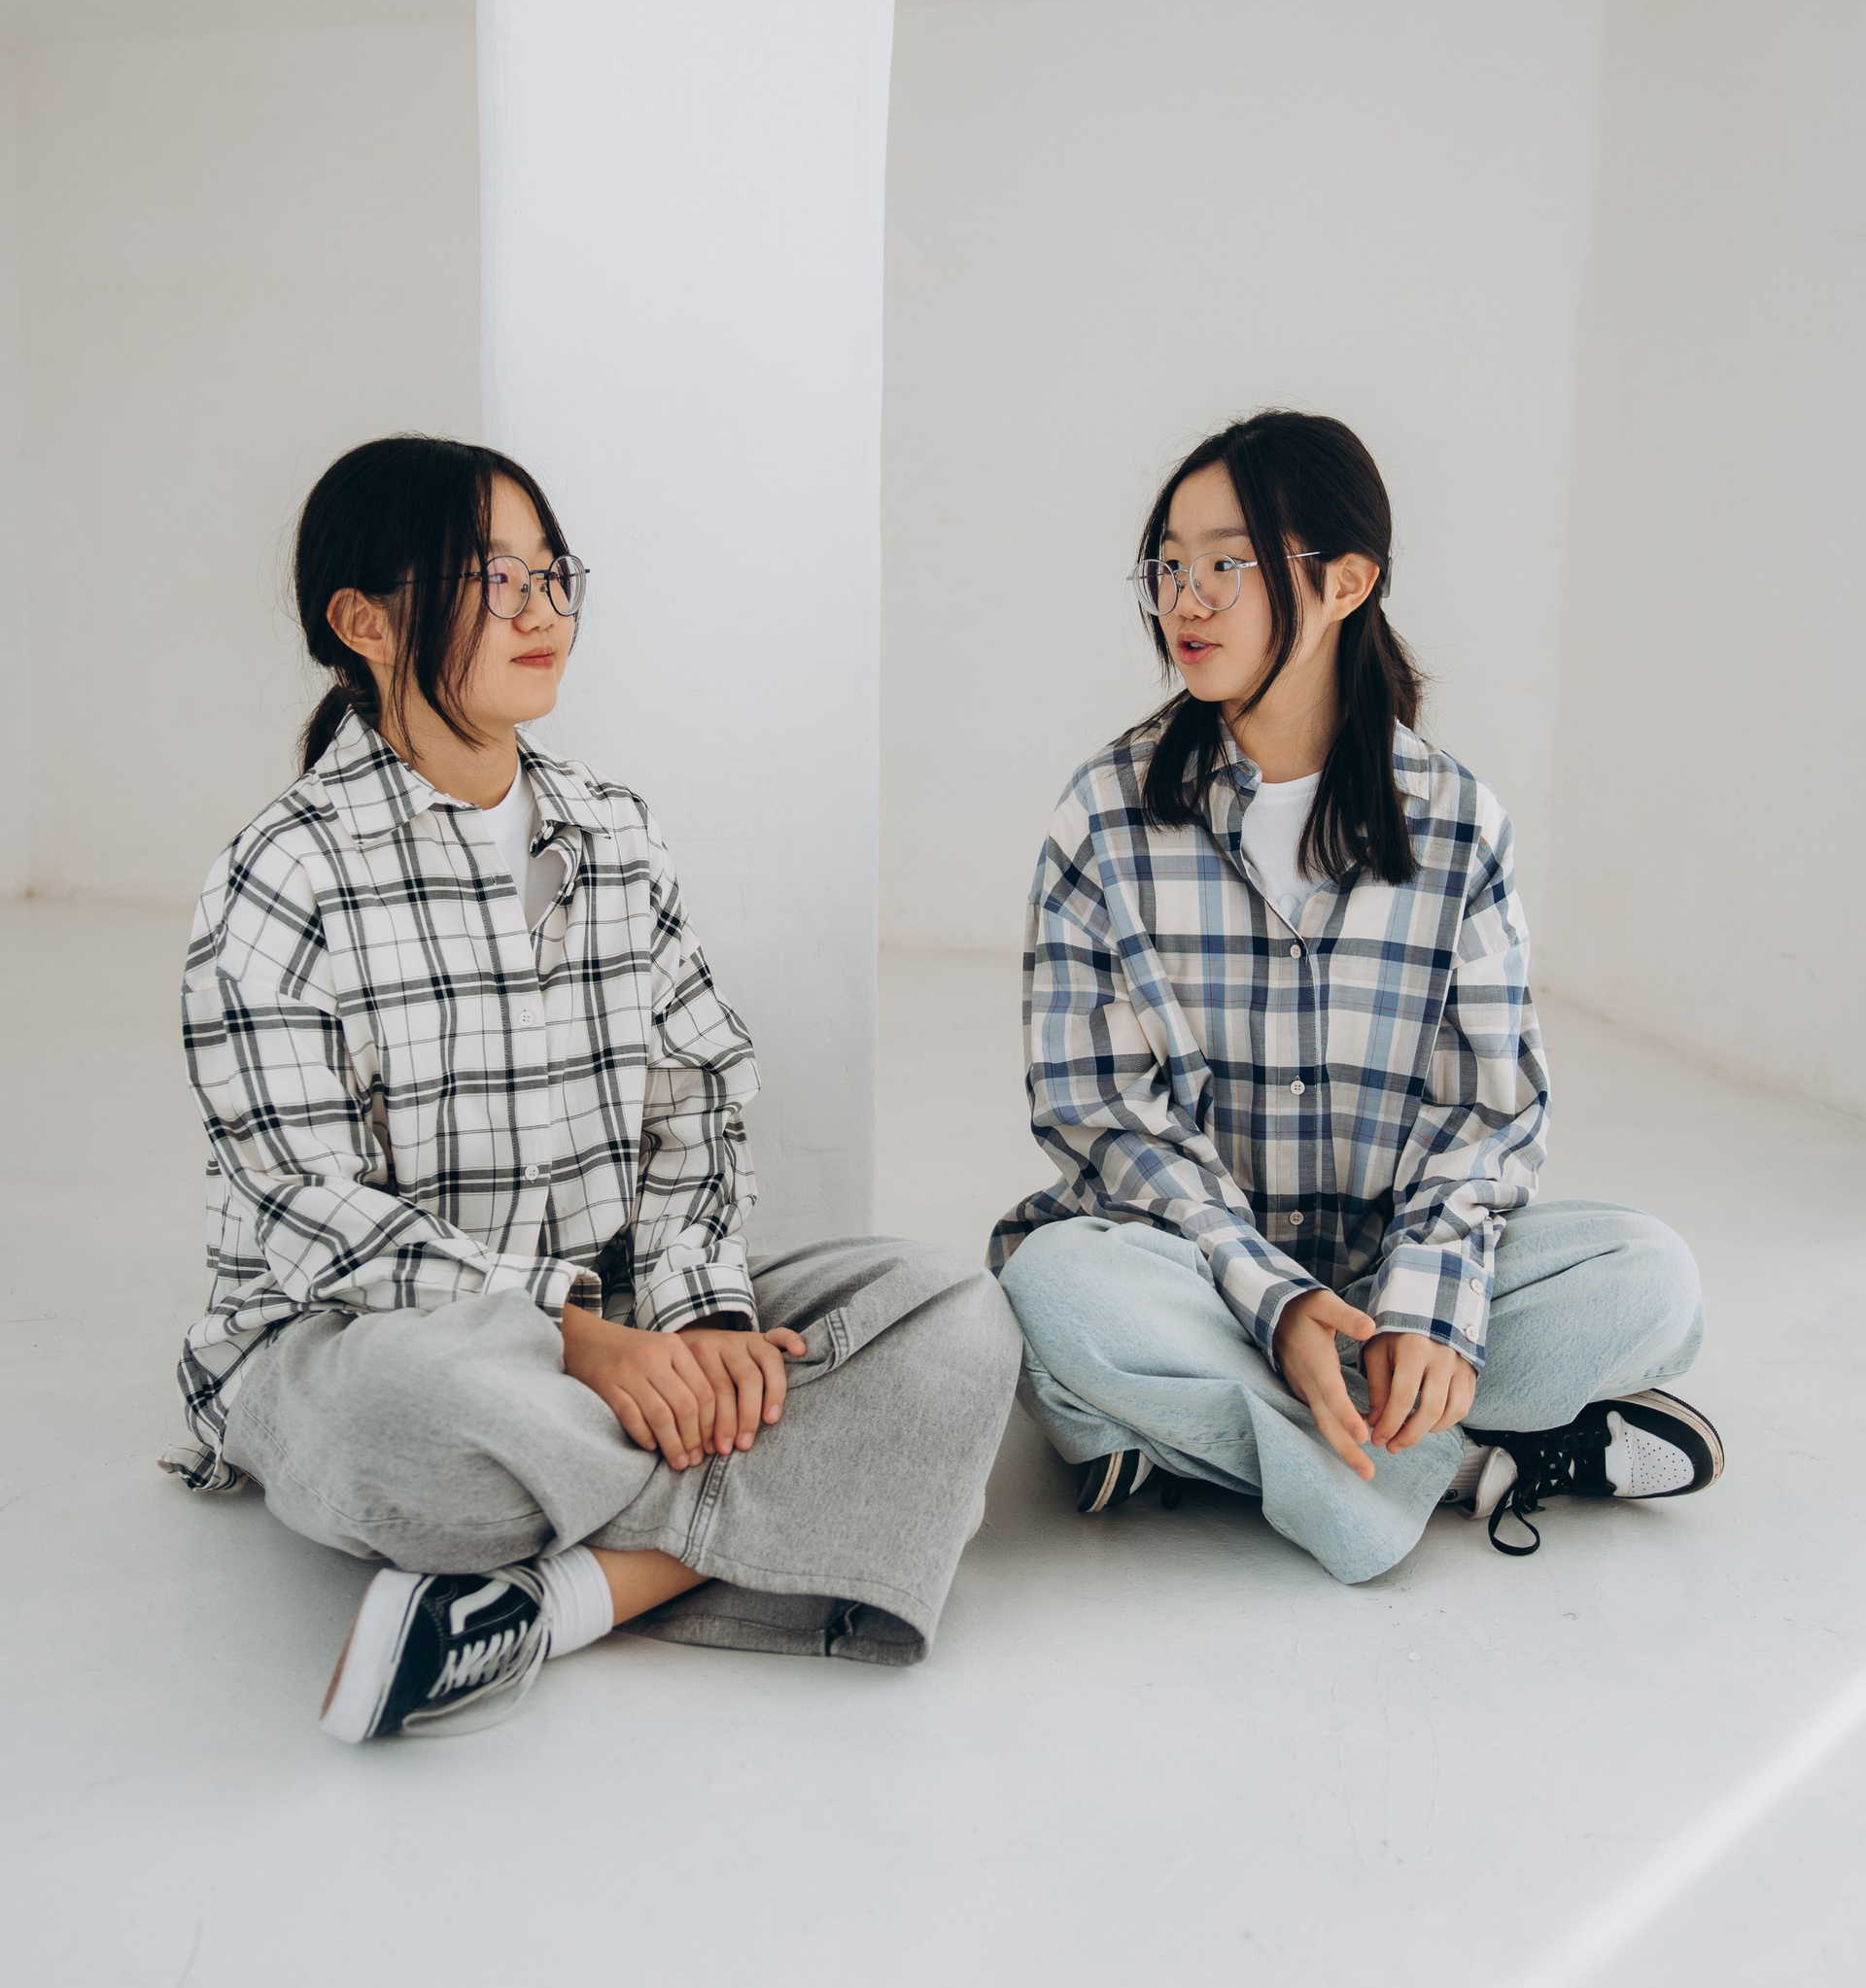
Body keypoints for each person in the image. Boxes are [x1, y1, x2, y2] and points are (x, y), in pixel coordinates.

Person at [164, 433, 1019, 1740]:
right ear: (364, 623)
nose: (543, 611)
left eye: (553, 574)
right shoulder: (282, 874)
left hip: (624, 1325)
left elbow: (694, 1104)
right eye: (493, 578)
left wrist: (700, 1322)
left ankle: (560, 1600)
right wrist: (576, 1341)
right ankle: (777, 1513)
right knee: (406, 1423)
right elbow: (309, 1212)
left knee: (958, 1315)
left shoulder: (613, 833)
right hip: (375, 1343)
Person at [993, 409, 1721, 1580]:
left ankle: (1197, 1442)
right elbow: (1100, 1118)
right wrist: (1276, 1305)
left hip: (1390, 1274)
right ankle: (1461, 1467)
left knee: (1650, 1279)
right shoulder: (1104, 816)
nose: (1185, 601)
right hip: (1195, 1273)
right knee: (1056, 1294)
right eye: (1168, 567)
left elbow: (1489, 1114)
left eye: (1226, 564)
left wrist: (1432, 1309)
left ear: (1346, 582)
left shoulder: (1459, 822)